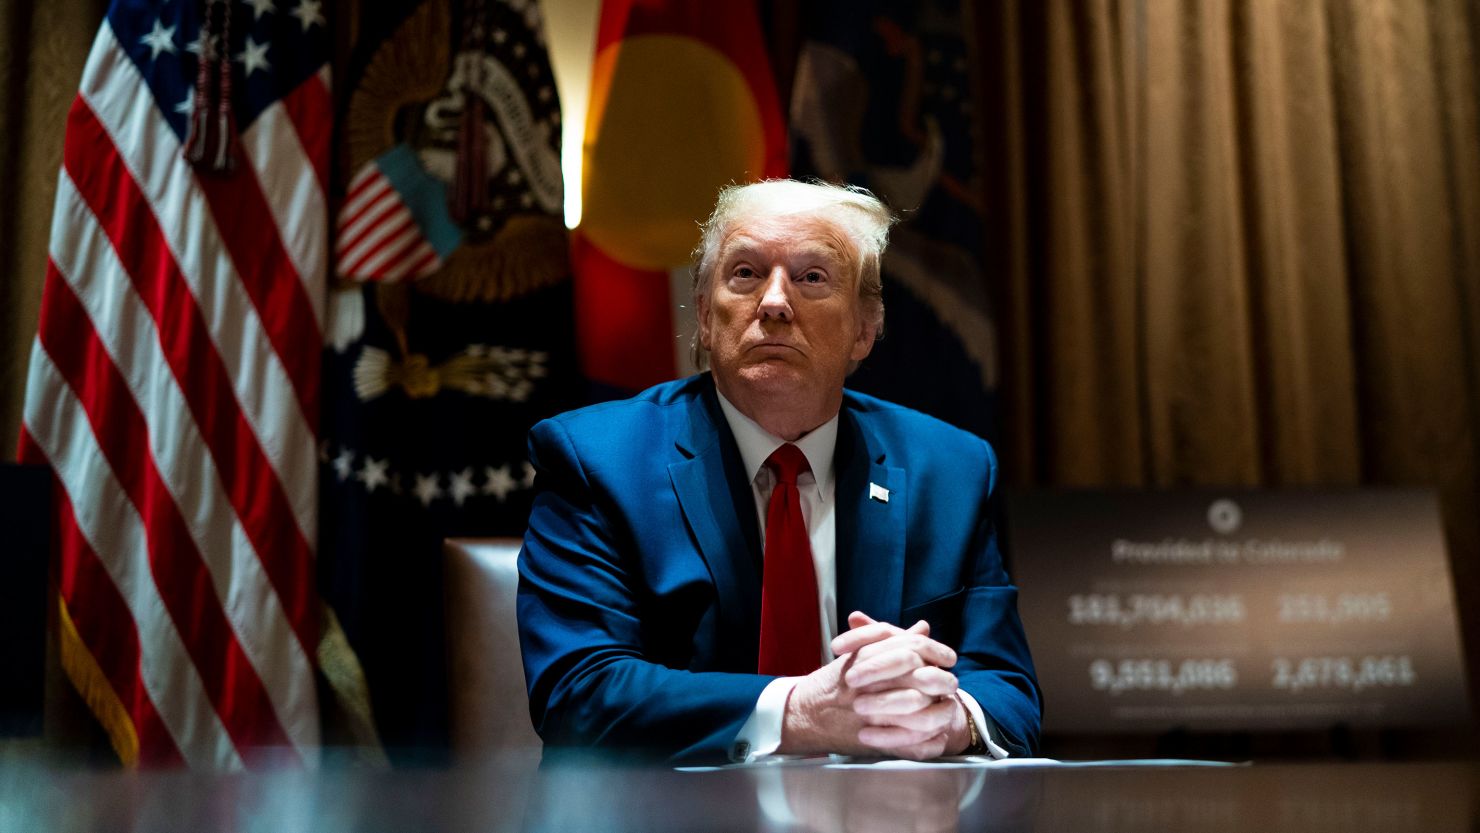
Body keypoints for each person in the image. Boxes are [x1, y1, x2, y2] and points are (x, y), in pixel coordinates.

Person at [516, 179, 1040, 763]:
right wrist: (802, 708)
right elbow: (578, 694)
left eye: (812, 277)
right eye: (744, 273)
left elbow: (1007, 687)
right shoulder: (595, 459)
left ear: (865, 328)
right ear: (707, 321)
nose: (773, 302)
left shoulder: (952, 470)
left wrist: (946, 718)